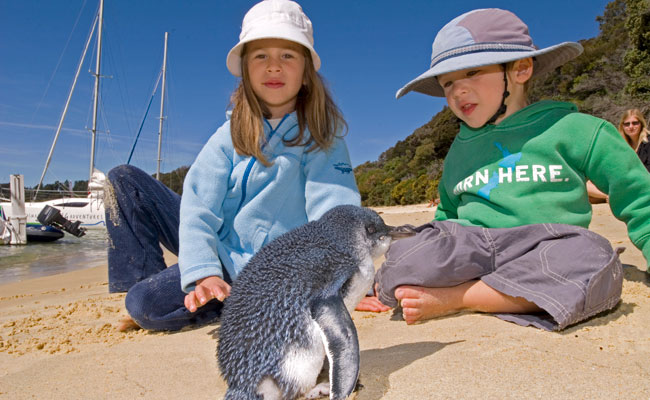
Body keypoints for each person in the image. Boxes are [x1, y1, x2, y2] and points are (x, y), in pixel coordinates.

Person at [358, 8, 650, 331]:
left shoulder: (573, 128)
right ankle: (496, 289)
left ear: (521, 69)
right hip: (472, 244)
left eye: (471, 73)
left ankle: (462, 297)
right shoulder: (459, 148)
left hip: (545, 243)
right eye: (448, 83)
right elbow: (447, 215)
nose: (457, 91)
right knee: (404, 250)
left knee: (594, 257)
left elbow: (637, 193)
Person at [106, 0, 360, 331]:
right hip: (222, 246)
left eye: (287, 55)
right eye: (260, 56)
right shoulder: (229, 133)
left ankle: (225, 300)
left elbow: (334, 212)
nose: (273, 67)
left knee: (145, 305)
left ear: (306, 71)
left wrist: (340, 282)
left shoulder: (322, 135)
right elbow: (199, 206)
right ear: (245, 68)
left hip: (269, 268)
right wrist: (203, 270)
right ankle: (165, 281)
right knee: (124, 179)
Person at [587, 109, 650, 202]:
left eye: (635, 123)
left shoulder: (648, 143)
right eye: (627, 124)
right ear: (622, 126)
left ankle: (617, 197)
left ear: (641, 124)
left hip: (641, 183)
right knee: (586, 184)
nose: (631, 127)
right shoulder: (620, 144)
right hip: (622, 183)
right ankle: (610, 196)